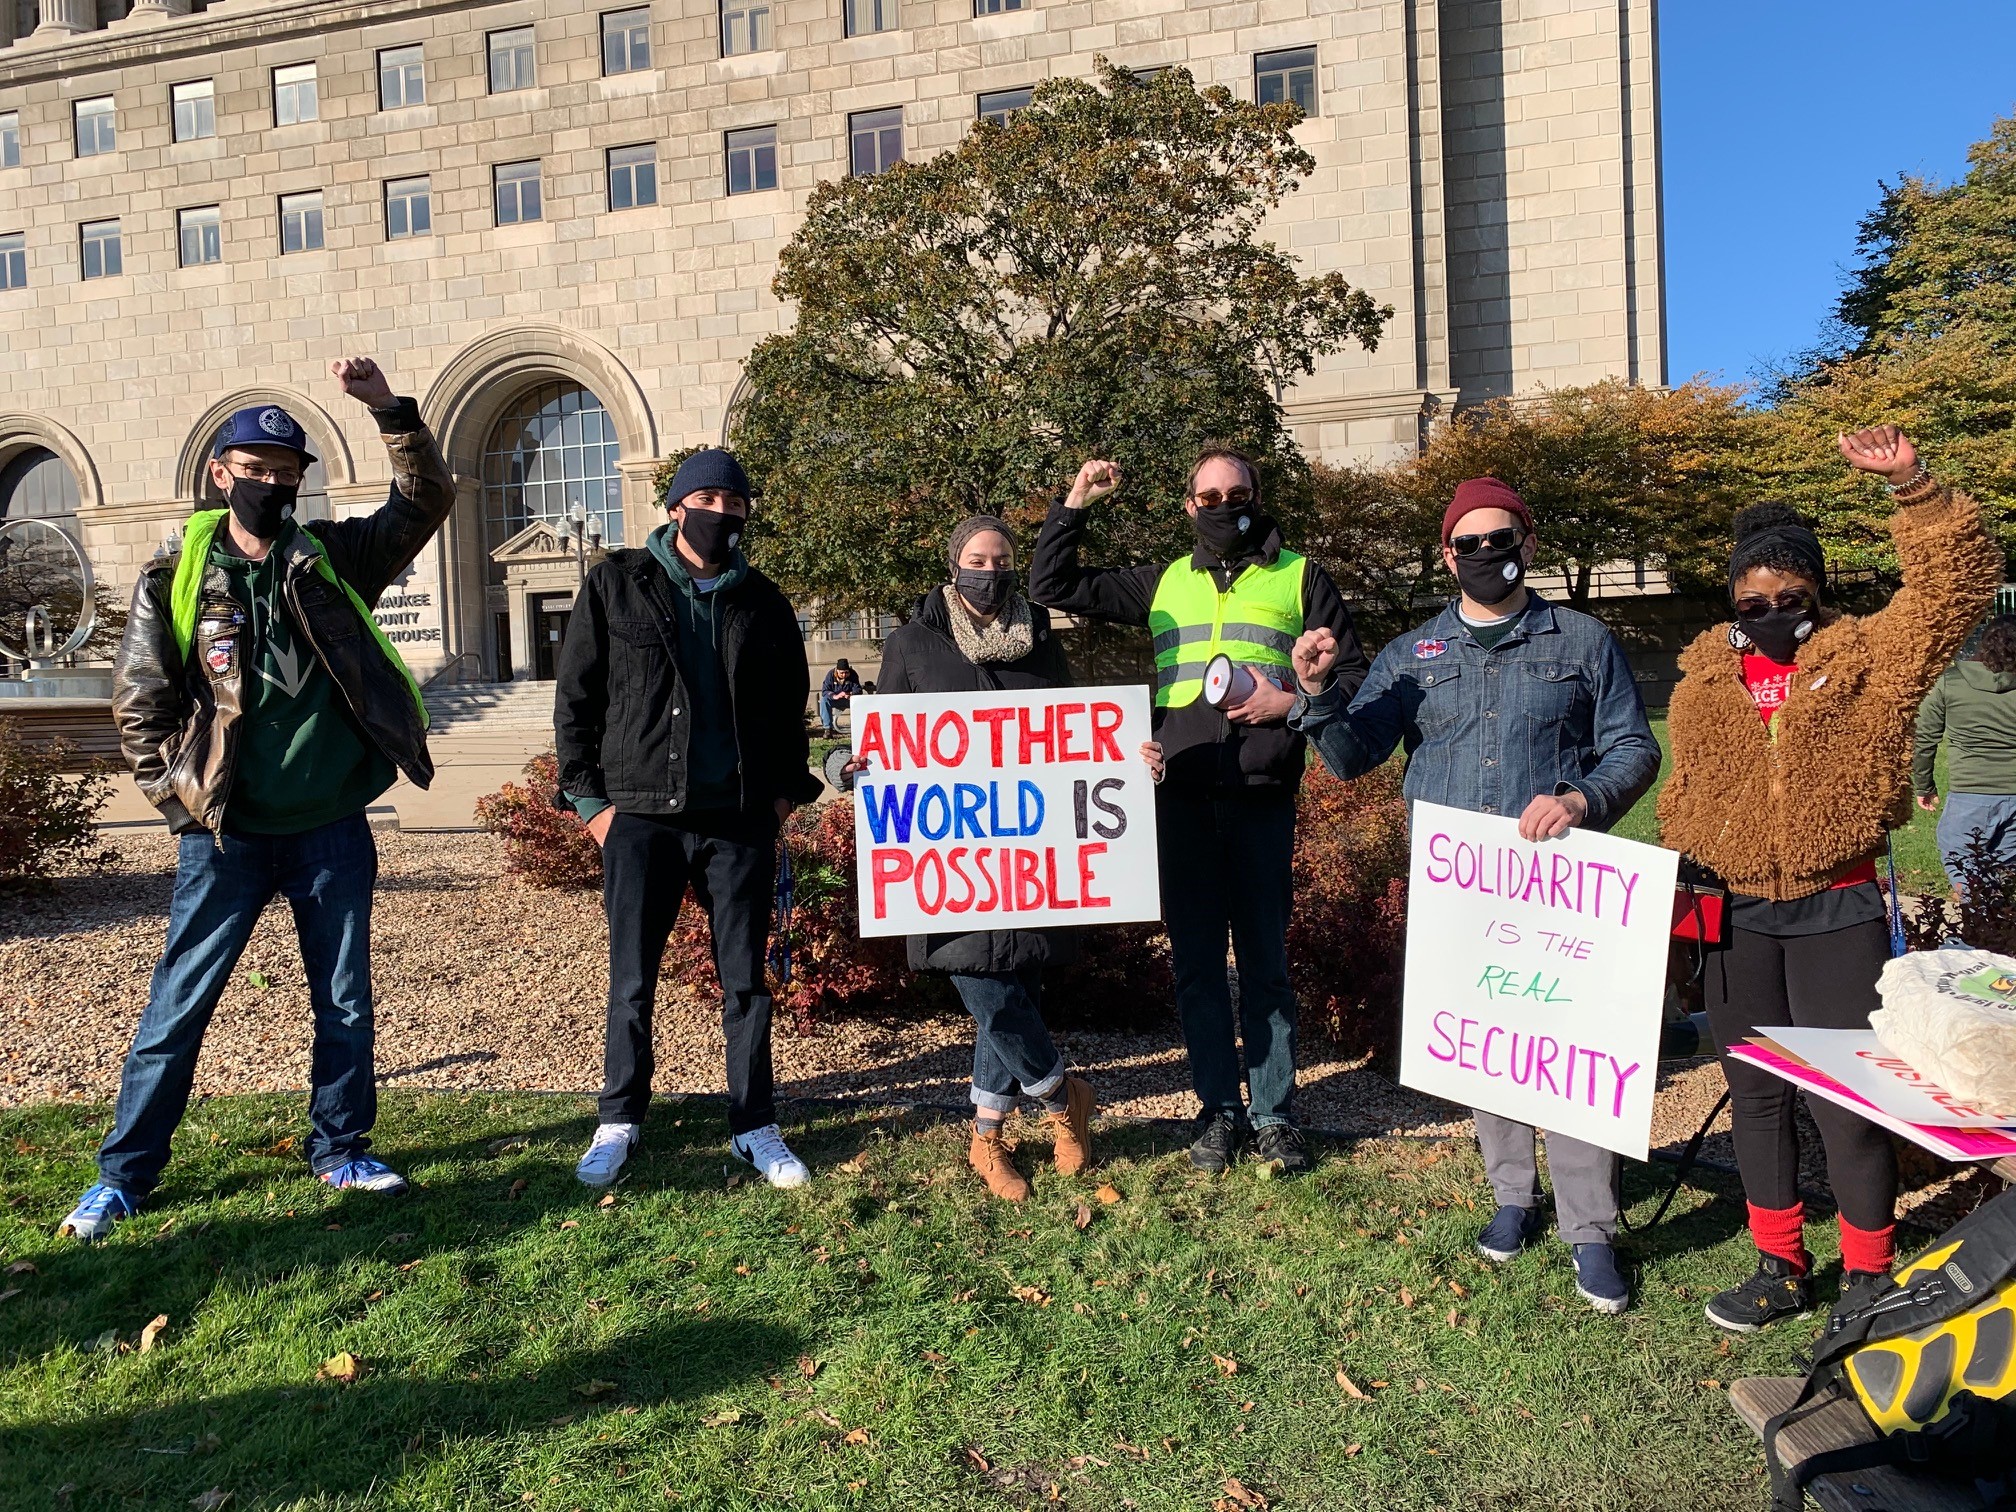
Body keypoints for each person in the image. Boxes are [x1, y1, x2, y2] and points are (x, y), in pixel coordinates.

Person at [60, 359, 456, 1240]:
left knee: (345, 1001)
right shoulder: (177, 574)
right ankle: (122, 1176)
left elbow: (425, 500)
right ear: (219, 472)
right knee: (178, 1007)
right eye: (255, 469)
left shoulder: (335, 559)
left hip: (330, 830)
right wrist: (180, 801)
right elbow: (140, 702)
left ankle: (342, 1148)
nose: (271, 485)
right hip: (226, 838)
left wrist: (391, 413)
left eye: (287, 474)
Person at [1288, 476, 1660, 1313]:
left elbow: (1634, 749)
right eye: (1470, 543)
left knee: (1567, 1054)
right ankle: (1511, 1195)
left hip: (1559, 889)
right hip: (1464, 892)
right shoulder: (1410, 656)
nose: (1486, 555)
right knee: (1493, 1043)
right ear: (1447, 554)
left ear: (1528, 546)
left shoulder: (1585, 642)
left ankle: (1590, 1229)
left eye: (1503, 541)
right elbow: (1353, 758)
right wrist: (1316, 696)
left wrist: (1580, 801)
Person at [1659, 427, 2002, 1332]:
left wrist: (1914, 487)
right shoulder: (1701, 682)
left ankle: (1868, 1271)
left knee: (1847, 1098)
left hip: (1838, 903)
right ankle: (1778, 1262)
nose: (1773, 608)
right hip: (1736, 914)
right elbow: (1686, 786)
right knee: (1758, 1092)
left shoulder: (1867, 660)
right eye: (1754, 596)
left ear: (1818, 593)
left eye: (1792, 594)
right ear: (1733, 600)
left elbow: (1952, 589)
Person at [1030, 445, 1369, 1174]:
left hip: (1260, 798)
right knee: (1196, 971)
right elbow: (1052, 582)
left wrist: (1296, 702)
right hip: (1178, 800)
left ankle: (1275, 1115)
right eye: (1207, 497)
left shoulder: (1301, 575)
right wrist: (1077, 500)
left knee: (1266, 967)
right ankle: (1218, 1110)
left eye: (1234, 492)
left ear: (1256, 496)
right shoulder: (1163, 582)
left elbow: (1355, 674)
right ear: (1190, 507)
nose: (1222, 506)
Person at [854, 516, 1163, 1200]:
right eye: (975, 558)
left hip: (1030, 862)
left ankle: (987, 1137)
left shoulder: (1041, 641)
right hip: (954, 863)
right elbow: (883, 734)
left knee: (1014, 994)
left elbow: (1075, 730)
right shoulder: (913, 642)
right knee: (988, 993)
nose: (988, 571)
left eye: (1000, 560)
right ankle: (1063, 1098)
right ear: (953, 563)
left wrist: (1130, 755)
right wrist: (845, 764)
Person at [555, 447, 824, 1190]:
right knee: (632, 980)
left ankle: (753, 1124)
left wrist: (778, 800)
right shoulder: (616, 584)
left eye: (736, 504)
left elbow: (786, 711)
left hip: (736, 818)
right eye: (708, 499)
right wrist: (591, 806)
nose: (723, 514)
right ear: (676, 507)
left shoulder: (761, 600)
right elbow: (576, 701)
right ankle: (620, 1119)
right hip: (639, 817)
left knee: (746, 983)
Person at [1913, 614, 2016, 896]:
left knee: (1959, 857)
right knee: (2001, 870)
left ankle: (1979, 926)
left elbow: (1924, 738)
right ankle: (1995, 926)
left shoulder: (1950, 682)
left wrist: (1924, 785)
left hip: (1970, 794)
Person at [819, 658, 861, 738]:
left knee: (860, 701)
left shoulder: (853, 674)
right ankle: (828, 729)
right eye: (842, 673)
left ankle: (859, 727)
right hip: (835, 699)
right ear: (837, 671)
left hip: (849, 700)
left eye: (846, 672)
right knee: (824, 701)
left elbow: (858, 689)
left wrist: (850, 694)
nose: (844, 675)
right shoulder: (830, 675)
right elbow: (825, 691)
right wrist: (834, 696)